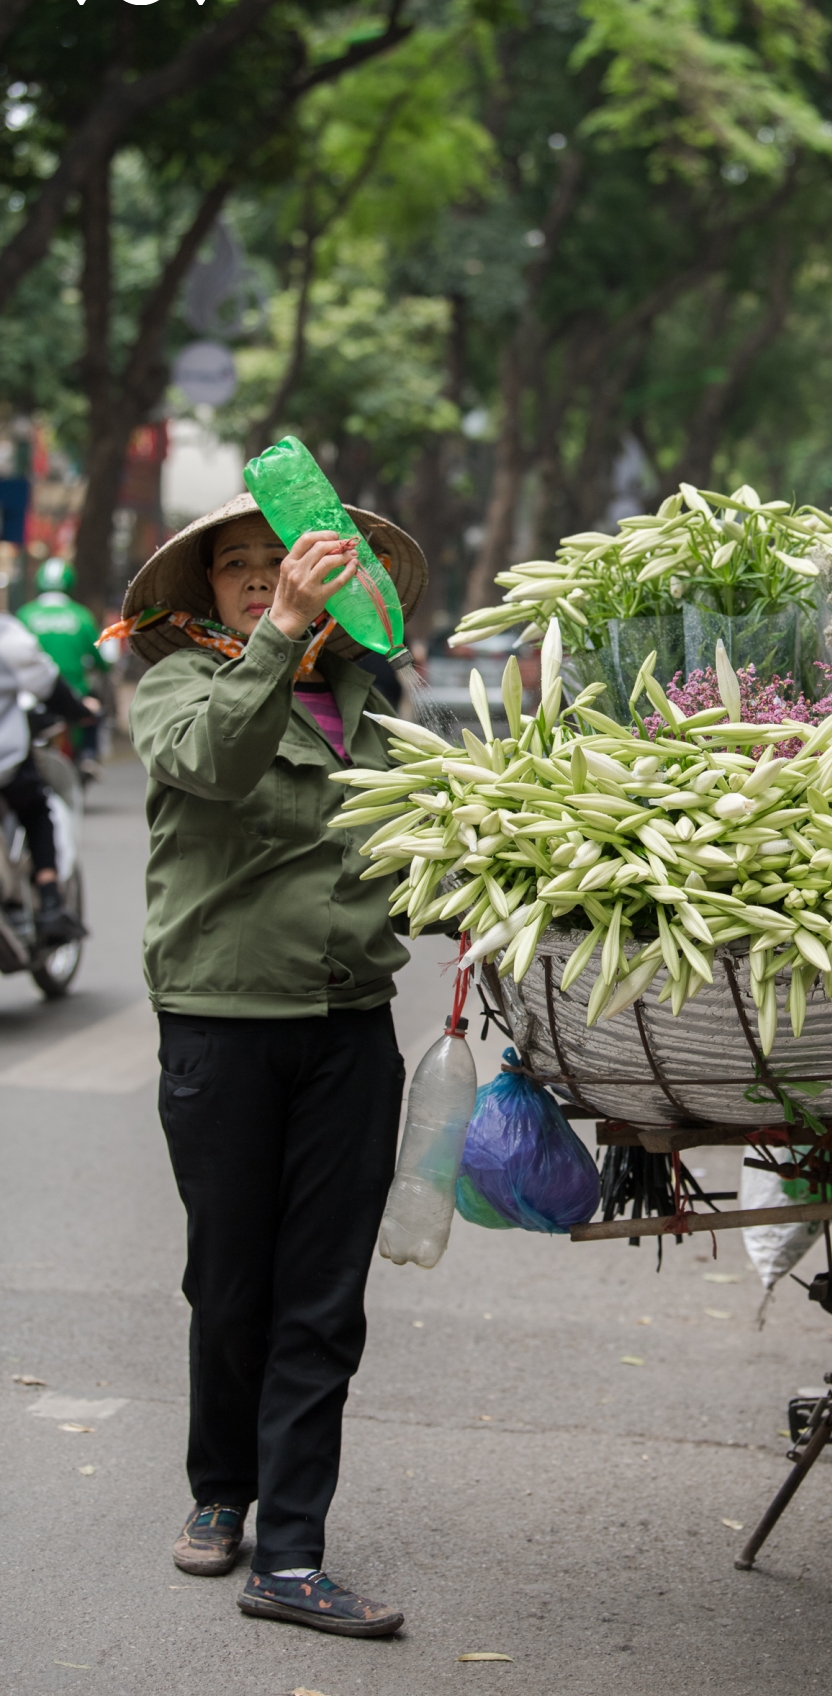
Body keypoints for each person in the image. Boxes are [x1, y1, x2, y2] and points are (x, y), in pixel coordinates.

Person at [116, 491, 427, 1639]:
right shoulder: (180, 688)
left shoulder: (376, 712)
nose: (262, 576)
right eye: (240, 566)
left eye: (284, 563)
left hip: (351, 1029)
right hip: (223, 1022)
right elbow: (212, 764)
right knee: (231, 1281)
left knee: (323, 1298)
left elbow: (418, 851)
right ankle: (219, 1486)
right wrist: (278, 636)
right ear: (208, 595)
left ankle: (291, 1552)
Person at [0, 610, 98, 941]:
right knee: (37, 810)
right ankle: (50, 902)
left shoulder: (28, 615)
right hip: (6, 762)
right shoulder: (9, 634)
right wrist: (82, 712)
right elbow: (48, 684)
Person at [15, 557, 105, 778]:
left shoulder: (25, 615)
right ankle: (88, 755)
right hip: (75, 691)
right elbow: (99, 657)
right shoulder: (81, 616)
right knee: (94, 710)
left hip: (34, 695)